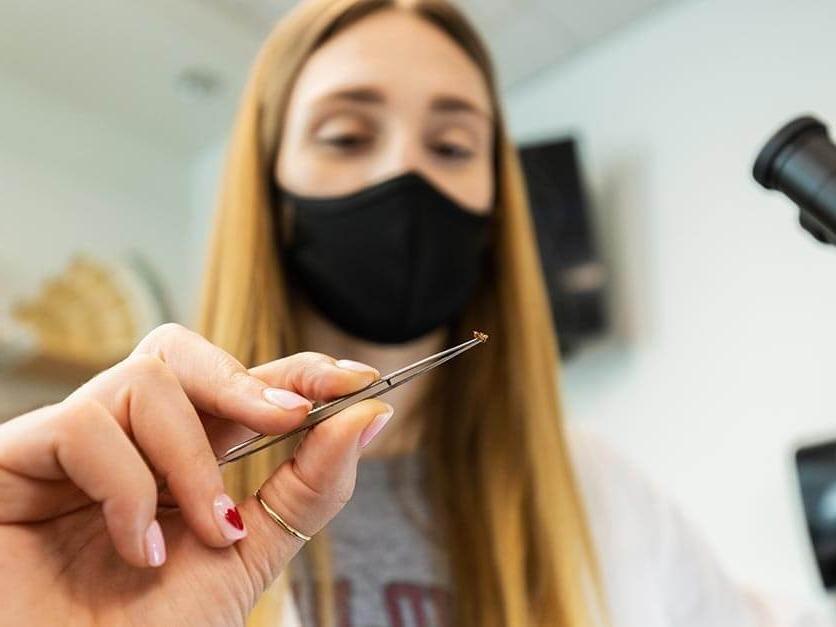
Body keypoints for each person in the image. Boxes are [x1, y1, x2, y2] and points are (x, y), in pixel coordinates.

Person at [0, 1, 832, 626]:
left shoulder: (603, 497)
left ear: (494, 209)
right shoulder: (129, 517)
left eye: (452, 146)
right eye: (347, 135)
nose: (406, 174)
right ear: (270, 191)